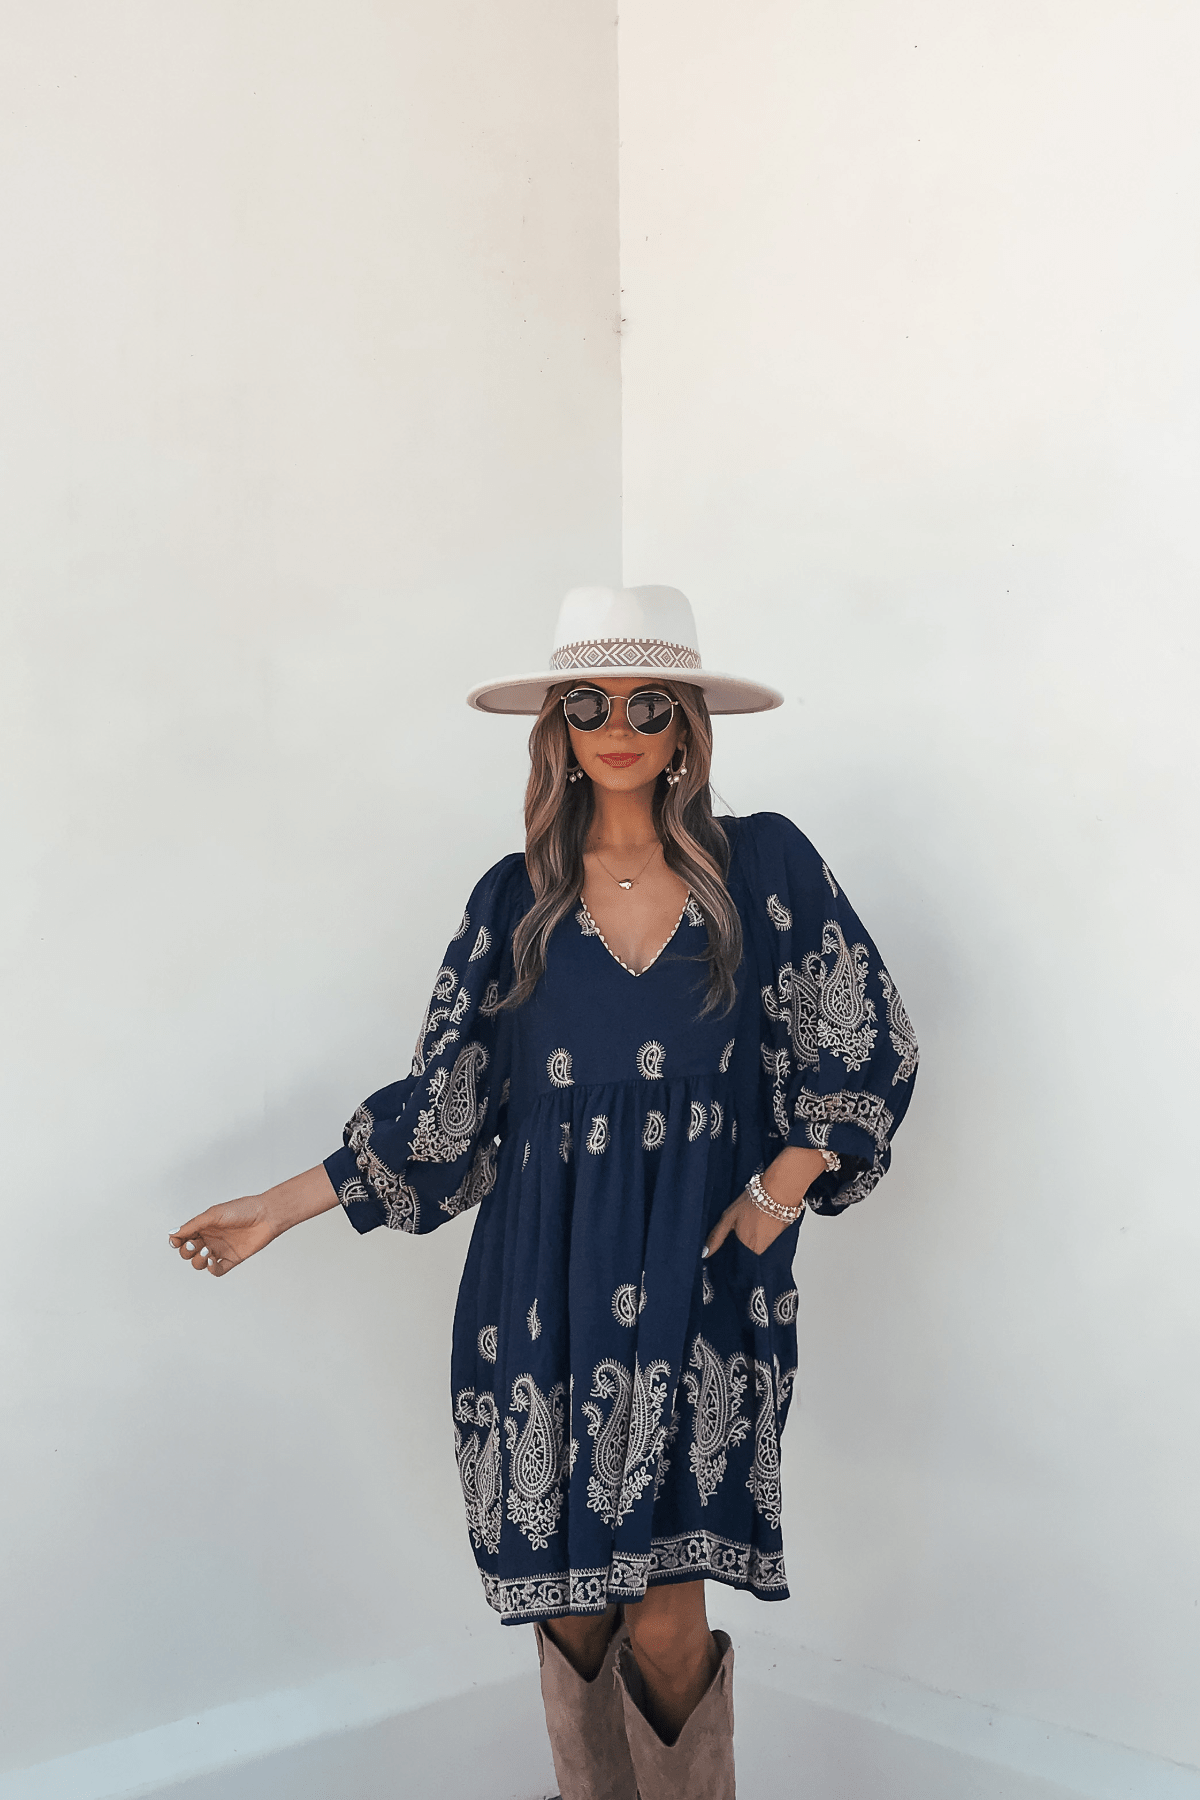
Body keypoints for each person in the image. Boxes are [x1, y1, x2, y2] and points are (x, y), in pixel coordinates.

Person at [169, 584, 918, 1800]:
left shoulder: (766, 864)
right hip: (541, 1286)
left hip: (703, 1282)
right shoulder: (512, 899)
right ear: (557, 729)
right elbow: (444, 1111)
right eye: (588, 704)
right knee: (570, 1610)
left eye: (647, 703)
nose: (618, 727)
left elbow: (864, 1035)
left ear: (686, 727)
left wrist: (782, 1189)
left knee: (667, 1616)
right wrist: (279, 1204)